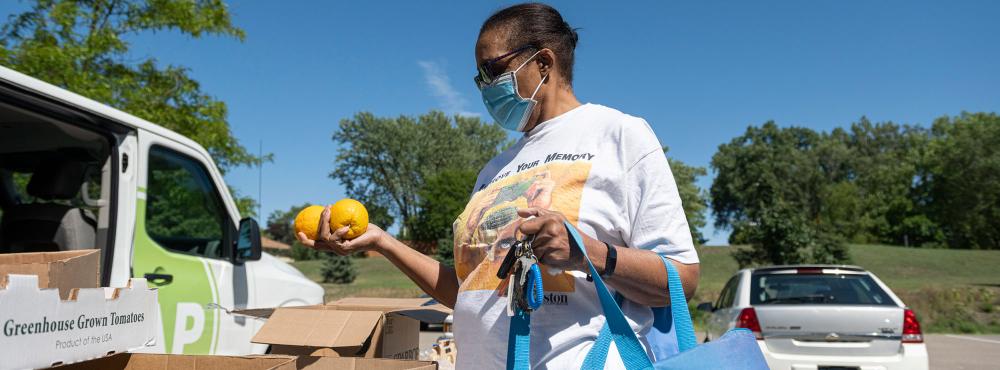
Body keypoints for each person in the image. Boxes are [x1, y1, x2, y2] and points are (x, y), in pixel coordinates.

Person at [298, 3, 700, 368]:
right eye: (479, 77)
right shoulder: (495, 169)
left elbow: (682, 281)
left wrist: (587, 253)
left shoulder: (619, 135)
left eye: (492, 70)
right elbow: (468, 291)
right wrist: (381, 242)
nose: (485, 87)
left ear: (543, 62)